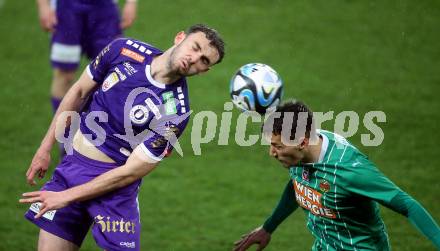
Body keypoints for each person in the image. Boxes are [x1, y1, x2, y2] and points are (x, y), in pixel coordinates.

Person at [20, 24, 225, 251]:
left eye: (204, 60)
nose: (194, 58)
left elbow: (131, 172)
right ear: (179, 38)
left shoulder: (176, 111)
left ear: (204, 71)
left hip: (115, 191)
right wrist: (45, 148)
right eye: (194, 47)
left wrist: (67, 197)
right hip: (72, 168)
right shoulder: (123, 50)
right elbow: (79, 91)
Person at [233, 100, 440, 251]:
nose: (272, 153)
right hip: (324, 246)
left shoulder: (350, 171)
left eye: (277, 146)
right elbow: (298, 185)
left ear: (302, 143)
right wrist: (269, 227)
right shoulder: (301, 152)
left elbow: (407, 205)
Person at [36, 0, 137, 157]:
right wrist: (43, 5)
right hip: (67, 7)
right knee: (65, 74)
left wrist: (131, 2)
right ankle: (67, 138)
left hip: (104, 8)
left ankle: (100, 136)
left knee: (110, 73)